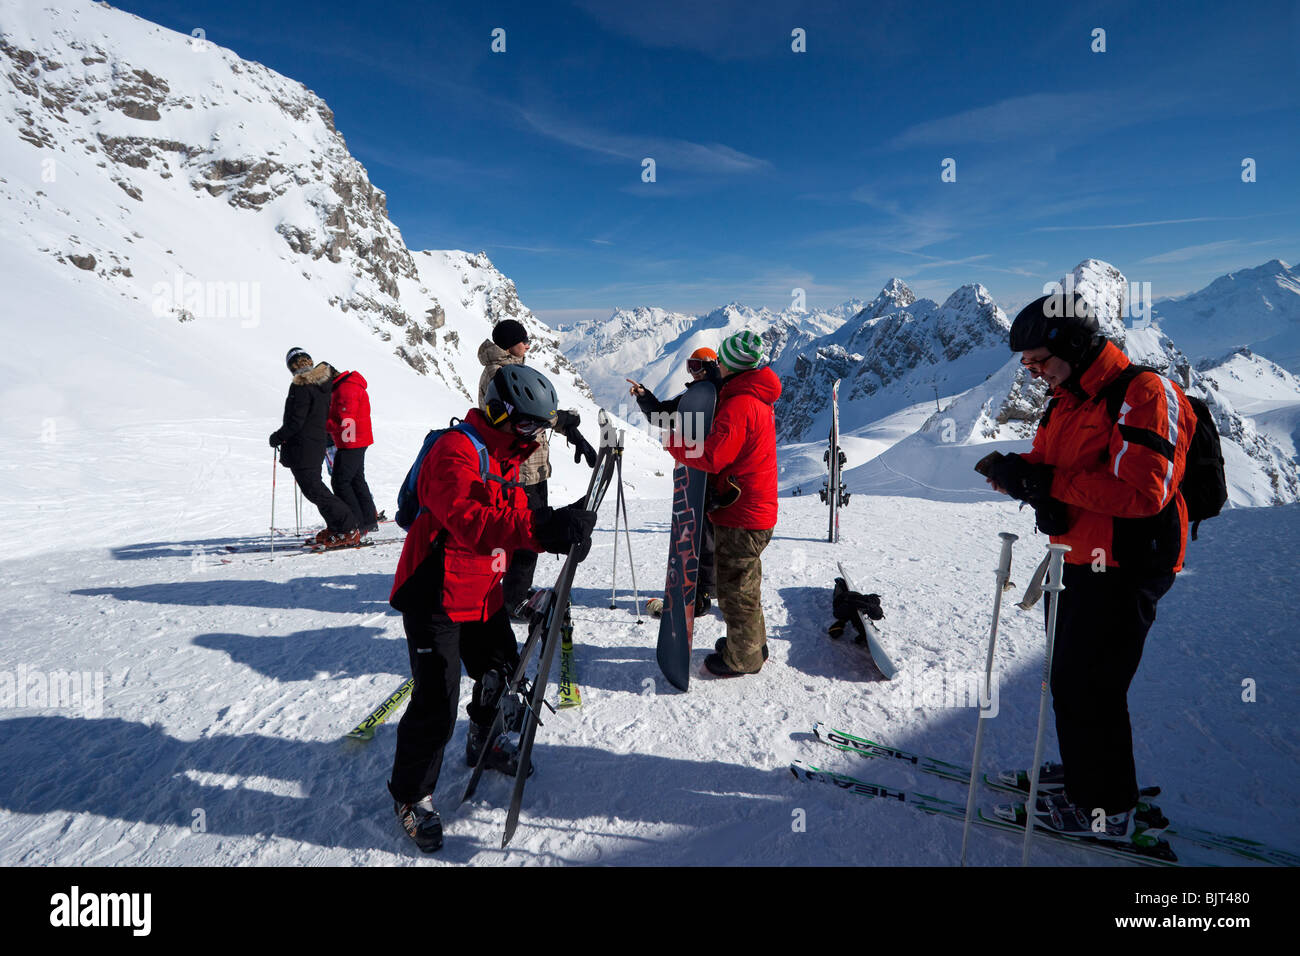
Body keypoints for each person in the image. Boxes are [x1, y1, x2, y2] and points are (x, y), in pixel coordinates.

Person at [982, 292, 1195, 842]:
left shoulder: (1143, 393)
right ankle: (1089, 777)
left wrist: (1047, 485)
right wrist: (1017, 470)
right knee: (1072, 679)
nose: (1032, 375)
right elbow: (1056, 464)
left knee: (1091, 685)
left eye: (1037, 362)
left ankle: (1105, 808)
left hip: (1126, 566)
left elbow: (1145, 491)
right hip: (1074, 557)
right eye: (1025, 365)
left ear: (1073, 346)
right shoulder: (1067, 396)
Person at [386, 364, 598, 852]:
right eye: (527, 424)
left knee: (500, 671)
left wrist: (555, 523)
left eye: (537, 427)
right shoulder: (455, 451)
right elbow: (469, 518)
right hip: (433, 590)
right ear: (498, 412)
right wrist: (542, 531)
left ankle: (482, 739)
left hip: (480, 586)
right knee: (436, 699)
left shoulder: (504, 452)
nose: (533, 435)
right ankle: (411, 795)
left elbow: (510, 506)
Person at [663, 331, 781, 677]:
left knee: (734, 590)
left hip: (742, 513)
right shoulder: (753, 396)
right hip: (752, 507)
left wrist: (674, 444)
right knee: (746, 582)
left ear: (729, 364)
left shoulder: (741, 403)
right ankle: (750, 645)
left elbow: (713, 456)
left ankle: (742, 659)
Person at [477, 319, 596, 616]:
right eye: (523, 339)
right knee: (528, 534)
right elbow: (525, 414)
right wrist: (565, 421)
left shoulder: (509, 368)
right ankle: (513, 601)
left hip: (533, 465)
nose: (528, 343)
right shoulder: (500, 373)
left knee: (528, 531)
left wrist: (569, 429)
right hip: (520, 469)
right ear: (509, 343)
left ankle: (513, 591)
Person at [629, 347, 723, 613]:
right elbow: (661, 414)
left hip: (713, 473)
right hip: (689, 469)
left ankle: (705, 589)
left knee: (704, 532)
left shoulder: (722, 396)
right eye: (689, 365)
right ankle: (704, 585)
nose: (692, 372)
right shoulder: (691, 396)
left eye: (697, 366)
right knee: (695, 530)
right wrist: (645, 396)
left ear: (711, 367)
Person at [269, 348, 359, 548]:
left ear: (292, 366)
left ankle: (347, 527)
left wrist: (278, 436)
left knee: (314, 490)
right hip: (314, 444)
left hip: (304, 447)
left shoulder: (301, 386)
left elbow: (296, 421)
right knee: (315, 489)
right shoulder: (321, 383)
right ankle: (338, 526)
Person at [327, 367, 380, 534]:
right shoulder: (347, 385)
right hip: (356, 439)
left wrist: (322, 424)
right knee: (356, 480)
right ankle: (368, 521)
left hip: (352, 442)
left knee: (340, 482)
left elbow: (345, 420)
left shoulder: (345, 389)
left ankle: (356, 524)